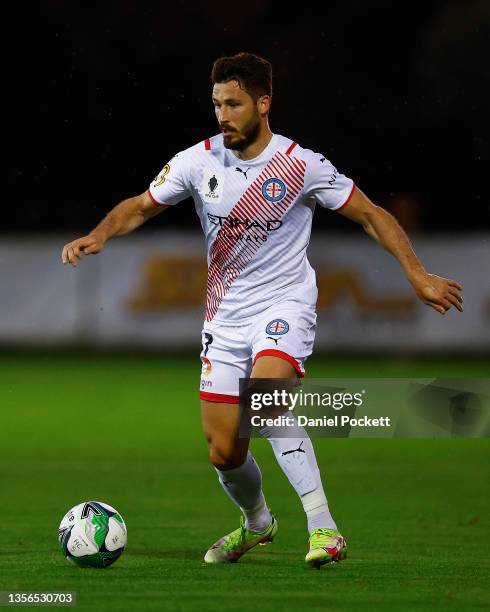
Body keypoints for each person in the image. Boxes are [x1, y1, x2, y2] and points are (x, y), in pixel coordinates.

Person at [61, 52, 463, 568]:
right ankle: (258, 523)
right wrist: (98, 234)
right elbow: (141, 205)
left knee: (266, 401)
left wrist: (416, 273)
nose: (222, 115)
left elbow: (370, 214)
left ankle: (324, 529)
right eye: (216, 104)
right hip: (224, 320)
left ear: (263, 103)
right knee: (223, 452)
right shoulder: (197, 160)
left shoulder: (301, 165)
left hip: (285, 304)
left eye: (233, 103)